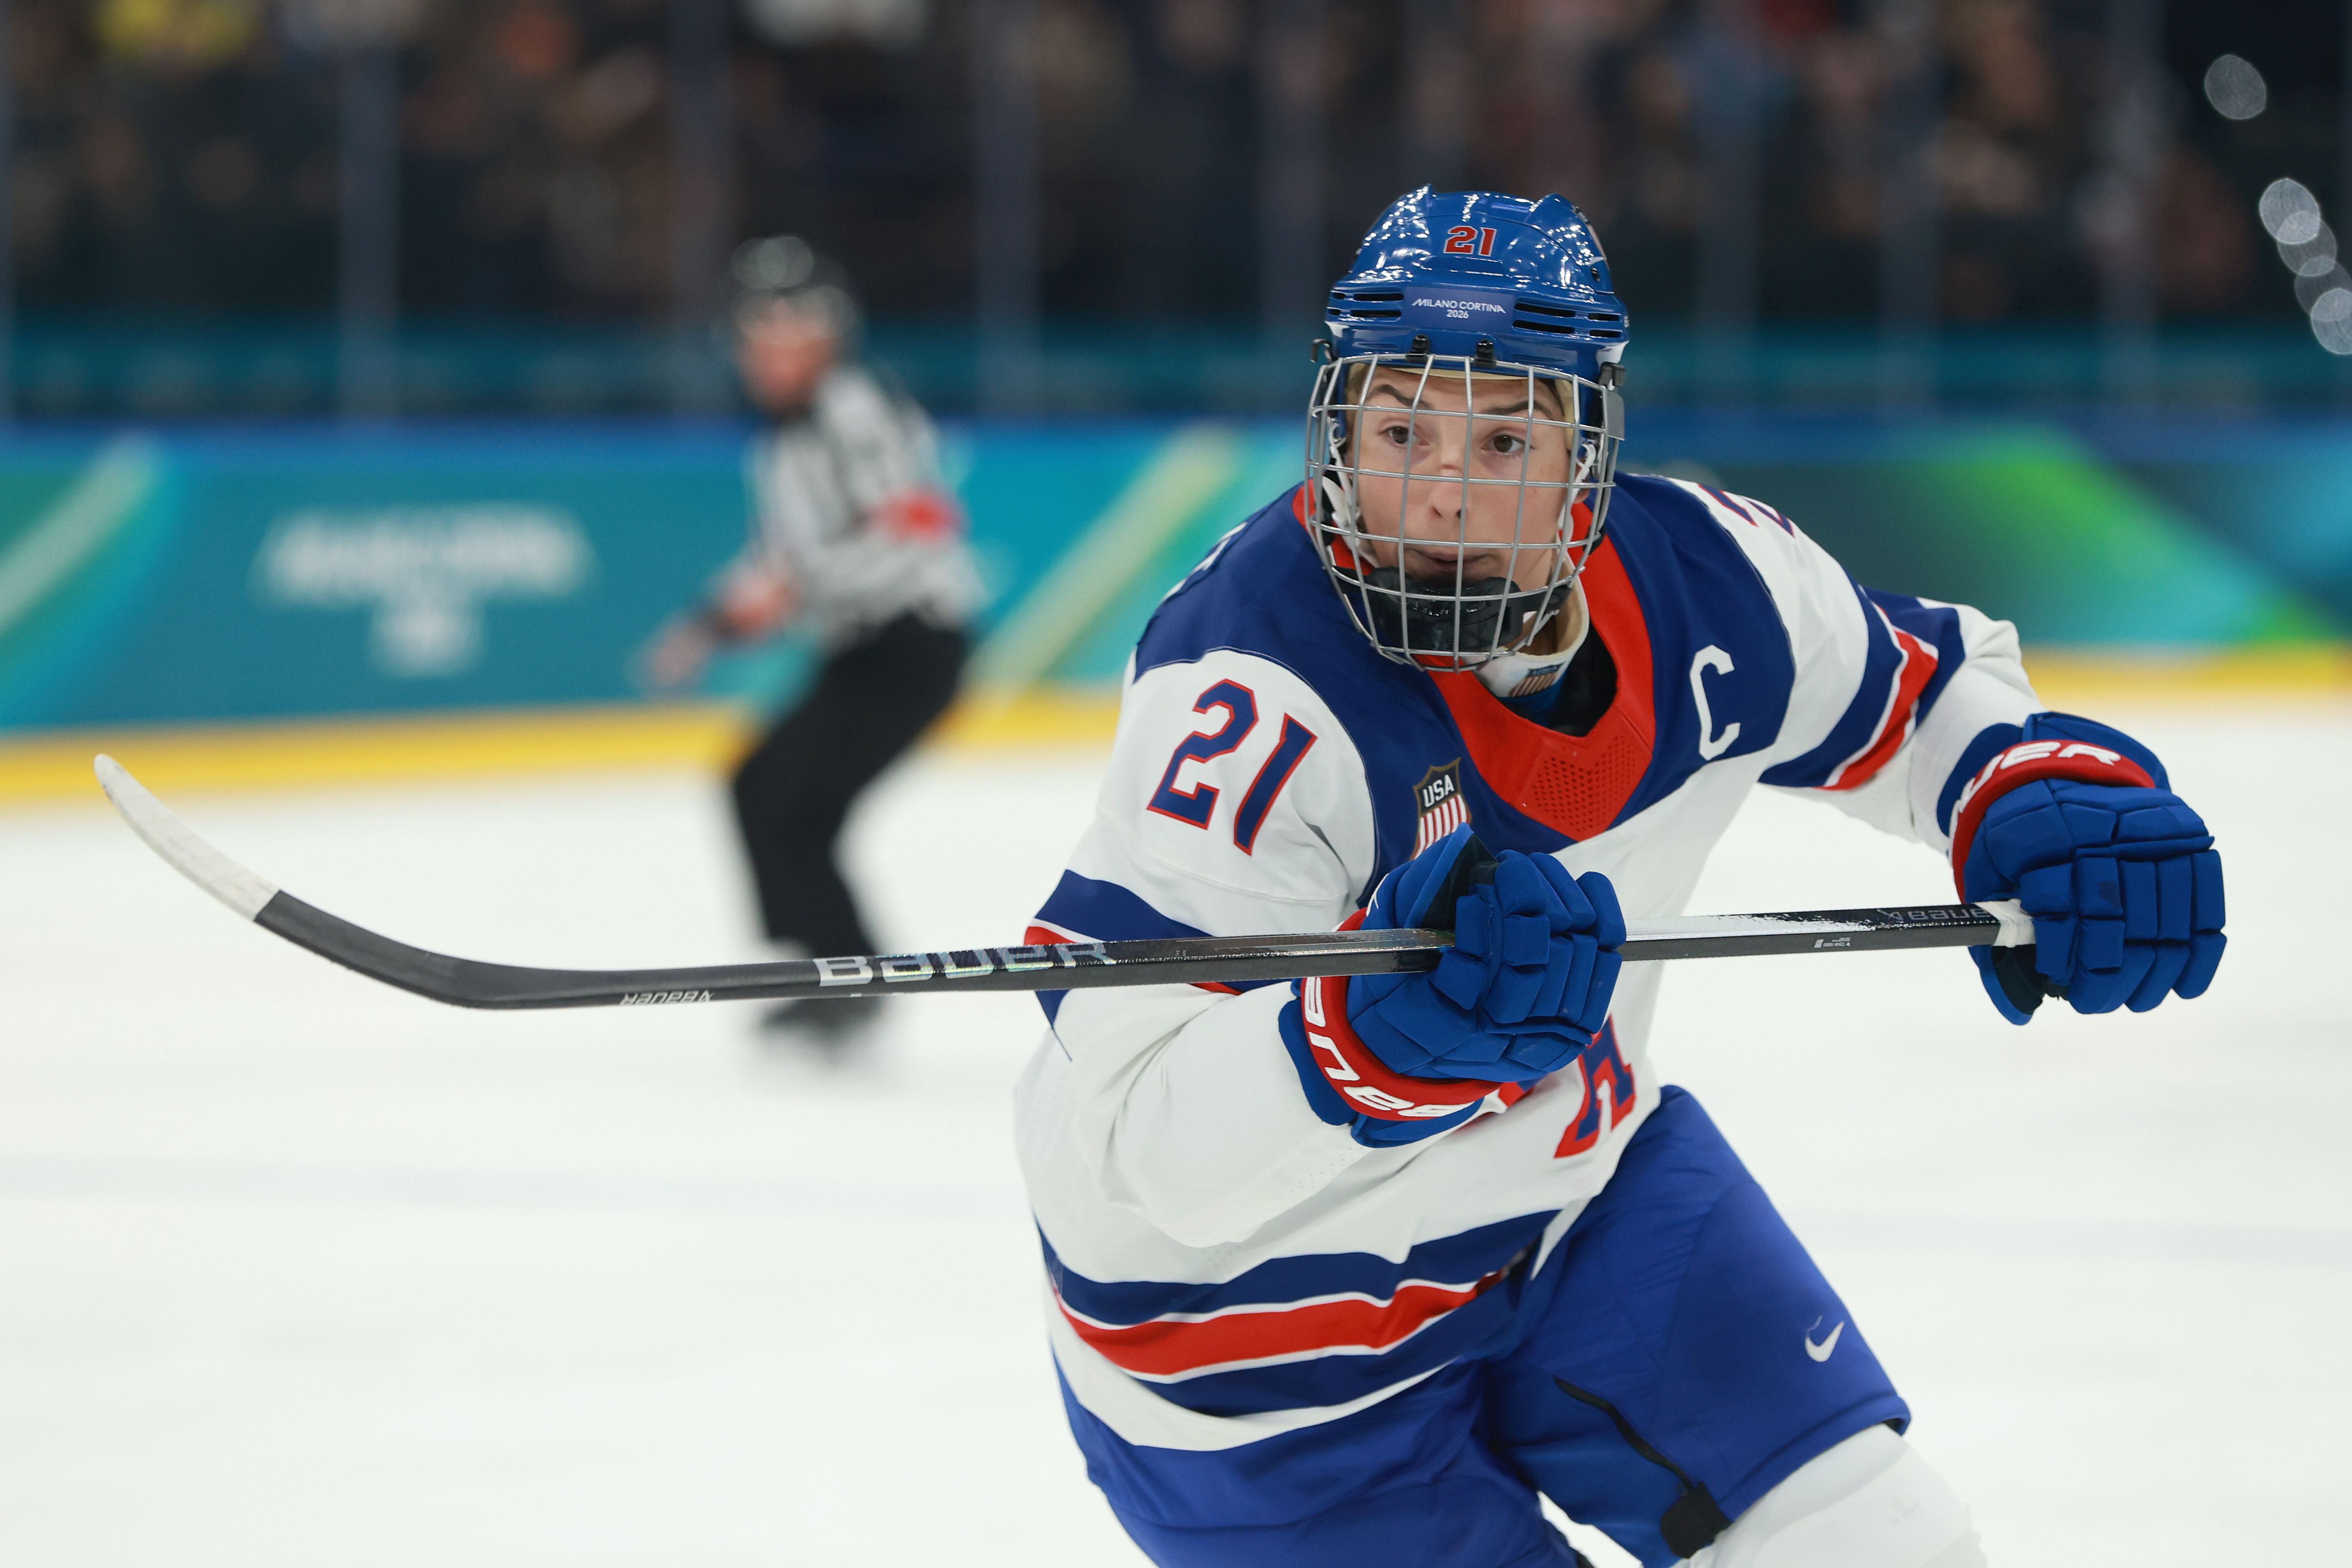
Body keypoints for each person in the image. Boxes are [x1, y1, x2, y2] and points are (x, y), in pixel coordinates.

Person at [1014, 189, 2226, 1567]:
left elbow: (1916, 695)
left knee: (1882, 1544)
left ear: (1588, 450)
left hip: (1574, 1209)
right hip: (1250, 1347)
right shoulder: (1248, 692)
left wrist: (2038, 796)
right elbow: (1142, 1145)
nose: (1446, 490)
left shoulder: (1711, 575)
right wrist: (1372, 1035)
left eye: (1507, 436)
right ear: (1339, 428)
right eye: (1401, 428)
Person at [641, 236, 983, 1051]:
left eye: (794, 329)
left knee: (788, 804)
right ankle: (830, 971)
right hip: (864, 649)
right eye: (760, 332)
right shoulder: (783, 442)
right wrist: (709, 621)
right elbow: (782, 561)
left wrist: (790, 592)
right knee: (767, 790)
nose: (775, 350)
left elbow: (912, 533)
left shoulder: (854, 412)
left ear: (831, 335)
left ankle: (839, 977)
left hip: (911, 646)